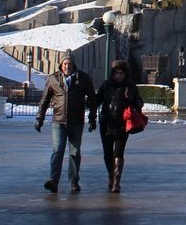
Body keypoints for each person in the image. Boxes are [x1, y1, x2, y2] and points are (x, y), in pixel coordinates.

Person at [35, 55, 97, 193]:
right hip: (59, 121)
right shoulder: (53, 79)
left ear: (73, 65)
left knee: (75, 152)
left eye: (69, 64)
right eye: (65, 64)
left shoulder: (83, 78)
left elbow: (92, 99)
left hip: (76, 122)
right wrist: (40, 118)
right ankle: (53, 180)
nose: (67, 66)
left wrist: (92, 118)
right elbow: (45, 99)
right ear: (61, 65)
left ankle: (74, 180)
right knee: (58, 150)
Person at [95, 60, 141, 193]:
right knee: (107, 153)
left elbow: (140, 103)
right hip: (106, 123)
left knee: (118, 153)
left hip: (122, 124)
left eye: (121, 73)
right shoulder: (106, 85)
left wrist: (131, 98)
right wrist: (89, 103)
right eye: (116, 73)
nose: (118, 76)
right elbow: (97, 100)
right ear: (113, 73)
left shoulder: (130, 86)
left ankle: (116, 181)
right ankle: (111, 175)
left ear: (125, 74)